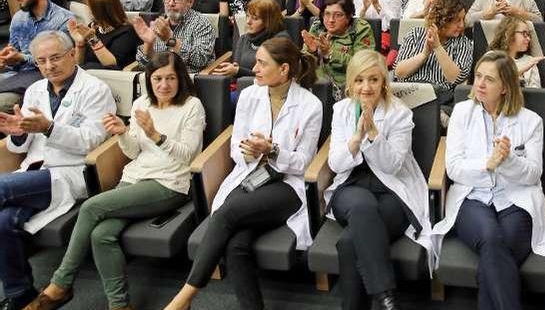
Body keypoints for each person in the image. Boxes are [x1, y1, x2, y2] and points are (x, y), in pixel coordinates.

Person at [26, 52, 204, 310]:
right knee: (101, 235)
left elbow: (188, 156)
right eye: (157, 78)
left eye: (170, 78)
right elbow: (133, 152)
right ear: (148, 80)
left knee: (90, 207)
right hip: (133, 178)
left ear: (181, 80)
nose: (163, 85)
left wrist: (155, 134)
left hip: (169, 183)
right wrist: (122, 134)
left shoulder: (191, 106)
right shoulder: (142, 103)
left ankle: (60, 284)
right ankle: (120, 305)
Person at [164, 38, 321, 310]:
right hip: (250, 176)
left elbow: (304, 163)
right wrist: (248, 152)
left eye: (262, 63)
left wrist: (272, 151)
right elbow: (236, 146)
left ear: (284, 69)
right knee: (236, 244)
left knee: (227, 212)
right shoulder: (249, 96)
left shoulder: (310, 105)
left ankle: (185, 296)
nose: (254, 68)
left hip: (287, 186)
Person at [433, 51, 545, 310]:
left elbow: (533, 173)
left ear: (505, 87)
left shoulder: (531, 122)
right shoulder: (462, 112)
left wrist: (508, 162)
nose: (479, 84)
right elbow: (455, 168)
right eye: (478, 76)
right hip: (472, 198)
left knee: (491, 263)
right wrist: (488, 164)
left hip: (516, 200)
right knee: (492, 240)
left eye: (489, 80)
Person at [0, 31, 115, 310]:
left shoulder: (95, 89)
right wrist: (17, 135)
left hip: (70, 172)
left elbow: (92, 141)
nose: (49, 66)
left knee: (1, 188)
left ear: (72, 54)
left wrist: (48, 128)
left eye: (55, 58)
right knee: (3, 221)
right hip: (33, 172)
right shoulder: (35, 91)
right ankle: (20, 294)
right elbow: (21, 147)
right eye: (41, 61)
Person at [325, 49, 433, 310]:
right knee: (362, 207)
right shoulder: (341, 110)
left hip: (391, 189)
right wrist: (355, 139)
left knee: (350, 243)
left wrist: (373, 132)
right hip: (351, 186)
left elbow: (393, 165)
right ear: (351, 82)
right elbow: (336, 164)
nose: (366, 87)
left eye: (373, 79)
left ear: (384, 81)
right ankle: (385, 295)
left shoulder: (399, 114)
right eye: (360, 80)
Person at [0, 0, 75, 113]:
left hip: (46, 78)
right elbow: (13, 50)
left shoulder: (64, 20)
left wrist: (21, 57)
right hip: (16, 74)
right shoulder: (19, 17)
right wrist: (7, 58)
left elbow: (59, 61)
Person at [394, 0, 473, 108]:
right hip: (408, 94)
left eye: (462, 19)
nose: (461, 25)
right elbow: (399, 73)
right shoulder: (416, 34)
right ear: (442, 21)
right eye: (457, 21)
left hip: (439, 99)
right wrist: (424, 54)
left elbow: (455, 78)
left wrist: (437, 48)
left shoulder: (463, 43)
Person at [132, 0, 215, 73]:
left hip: (190, 80)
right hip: (161, 79)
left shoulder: (201, 23)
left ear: (190, 2)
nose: (171, 3)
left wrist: (170, 40)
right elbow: (143, 63)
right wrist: (148, 44)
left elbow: (200, 60)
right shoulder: (158, 23)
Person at [301, 0, 374, 98]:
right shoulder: (318, 27)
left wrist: (330, 53)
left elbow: (362, 65)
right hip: (317, 86)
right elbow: (303, 65)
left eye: (338, 15)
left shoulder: (360, 29)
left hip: (347, 87)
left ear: (348, 17)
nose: (331, 20)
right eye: (327, 14)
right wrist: (312, 53)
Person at [211, 0, 291, 79]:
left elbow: (274, 75)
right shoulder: (243, 38)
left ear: (268, 21)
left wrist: (238, 71)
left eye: (255, 18)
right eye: (247, 16)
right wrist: (231, 69)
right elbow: (237, 66)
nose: (248, 22)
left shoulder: (281, 40)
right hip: (243, 86)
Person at [67, 0, 139, 70]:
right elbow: (78, 64)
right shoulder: (92, 27)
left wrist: (93, 40)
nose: (88, 11)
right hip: (88, 74)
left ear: (99, 12)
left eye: (90, 8)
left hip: (110, 76)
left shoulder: (127, 32)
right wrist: (80, 44)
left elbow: (112, 65)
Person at [489, 16, 544, 89]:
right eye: (524, 34)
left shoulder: (530, 61)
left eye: (528, 35)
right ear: (509, 34)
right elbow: (489, 86)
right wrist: (518, 72)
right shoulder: (491, 57)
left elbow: (536, 92)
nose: (528, 39)